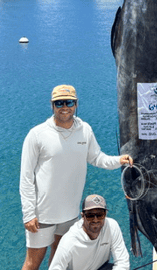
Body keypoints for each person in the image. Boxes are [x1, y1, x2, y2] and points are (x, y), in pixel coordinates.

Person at [20, 85, 133, 270]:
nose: (65, 106)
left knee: (59, 262)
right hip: (42, 216)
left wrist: (118, 160)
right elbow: (26, 178)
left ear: (76, 103)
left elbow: (97, 157)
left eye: (69, 102)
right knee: (33, 263)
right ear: (52, 105)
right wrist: (28, 213)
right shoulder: (37, 134)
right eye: (59, 103)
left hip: (70, 214)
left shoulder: (85, 130)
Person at [48, 194, 130, 270]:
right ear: (82, 216)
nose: (95, 219)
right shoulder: (70, 240)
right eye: (90, 215)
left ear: (105, 214)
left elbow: (122, 262)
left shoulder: (112, 226)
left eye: (100, 215)